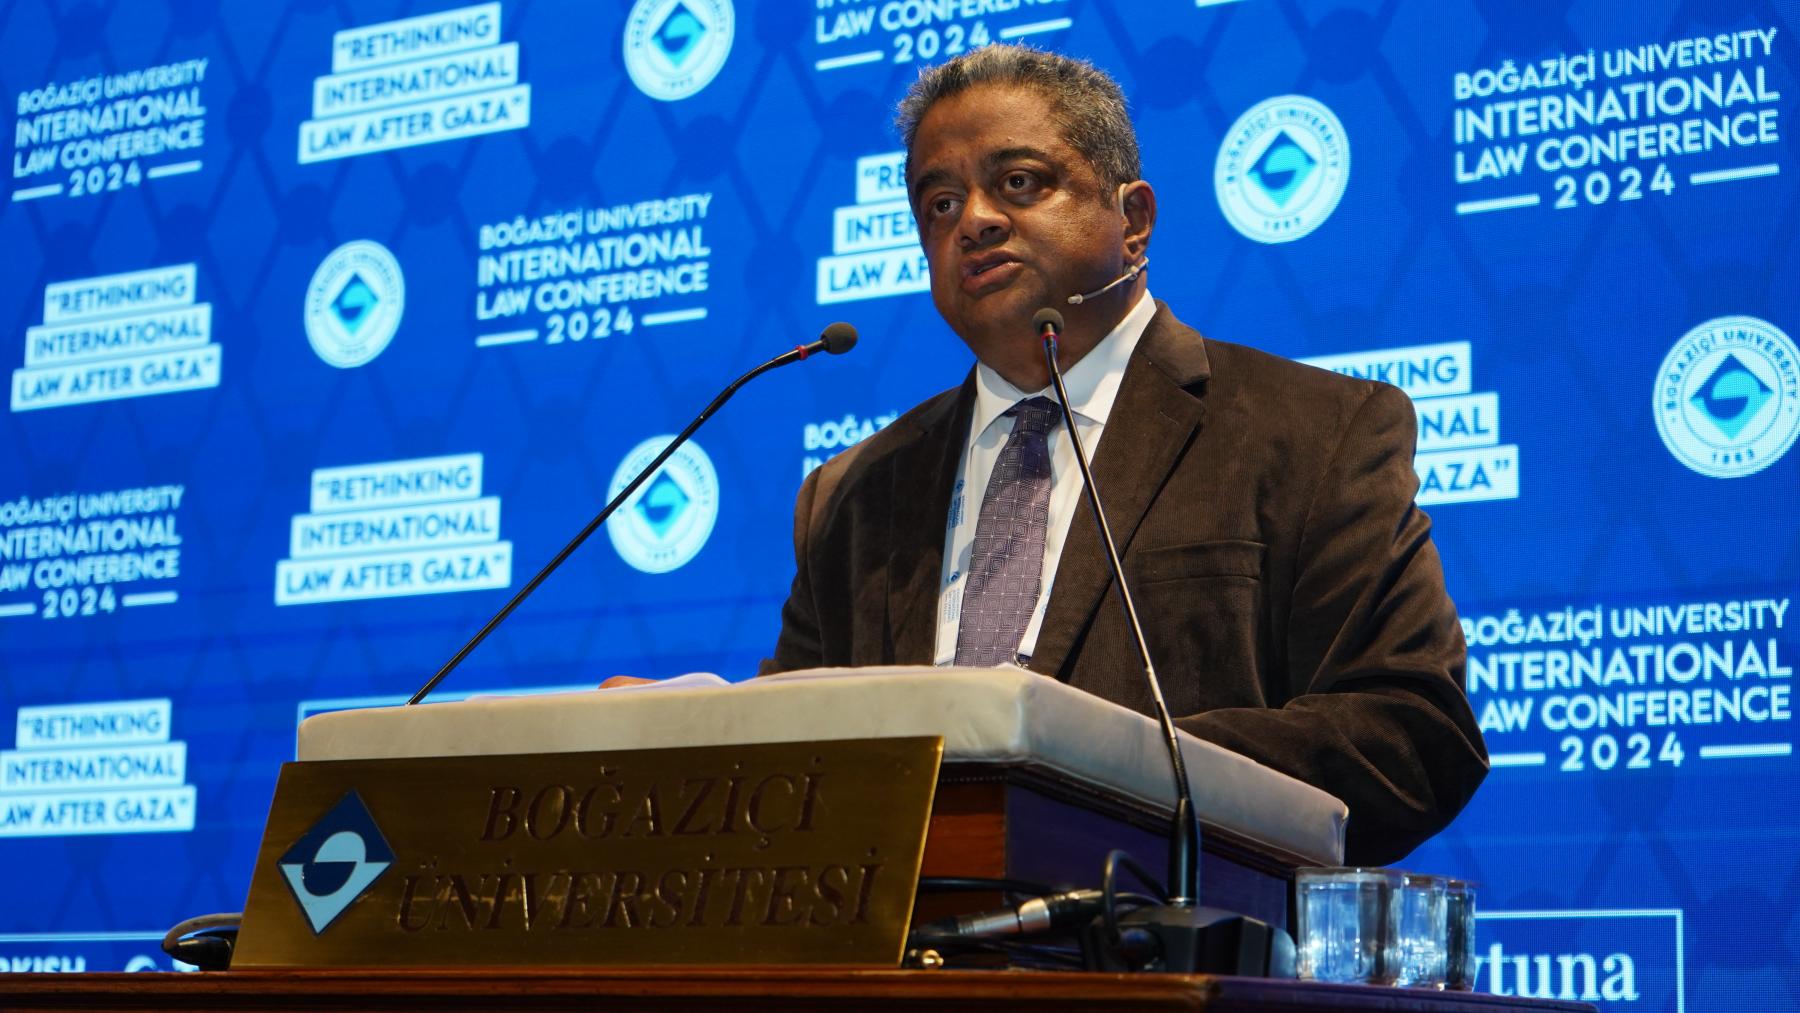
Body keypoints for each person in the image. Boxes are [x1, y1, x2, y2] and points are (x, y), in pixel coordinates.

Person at [761, 45, 1486, 865]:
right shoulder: (852, 494)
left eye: (1019, 182)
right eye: (940, 202)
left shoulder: (1314, 432)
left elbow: (1412, 733)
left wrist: (1106, 771)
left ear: (1132, 220)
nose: (975, 221)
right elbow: (793, 755)